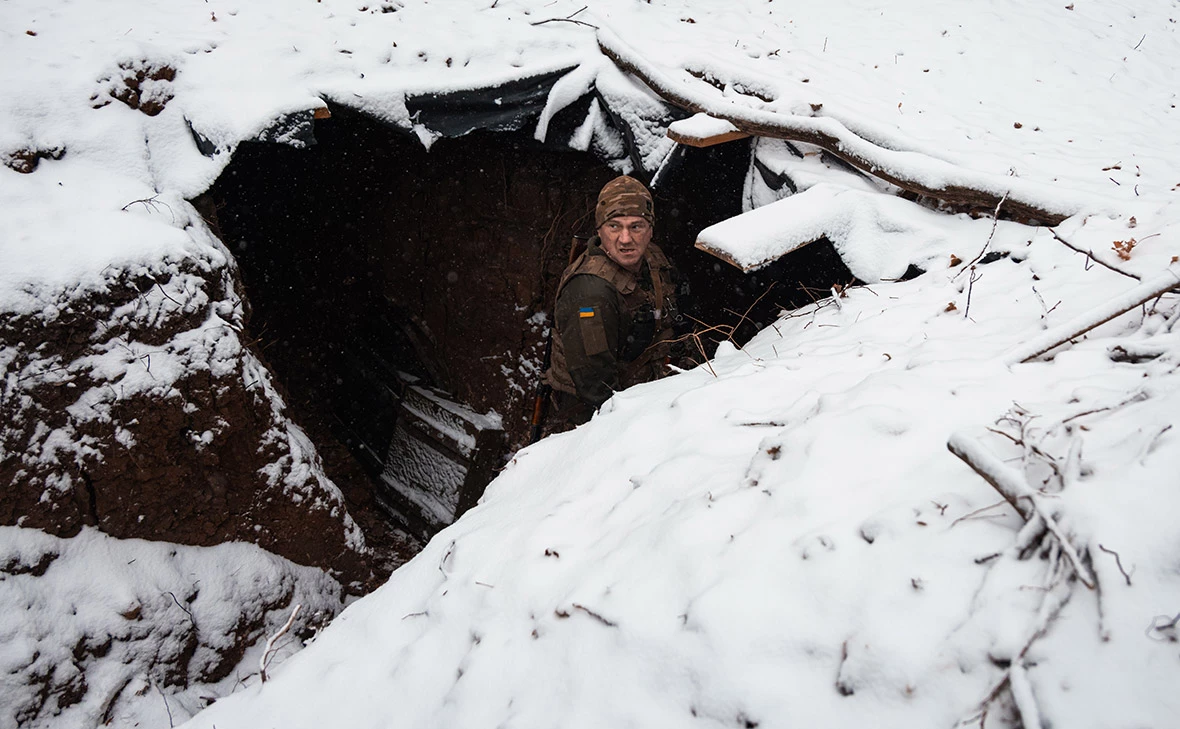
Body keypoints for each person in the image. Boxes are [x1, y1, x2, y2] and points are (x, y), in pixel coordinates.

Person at [544, 175, 682, 429]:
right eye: (615, 226)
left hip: (647, 392)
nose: (626, 239)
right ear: (599, 230)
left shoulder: (652, 259)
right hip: (593, 420)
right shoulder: (590, 292)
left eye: (636, 226)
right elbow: (596, 387)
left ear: (650, 229)